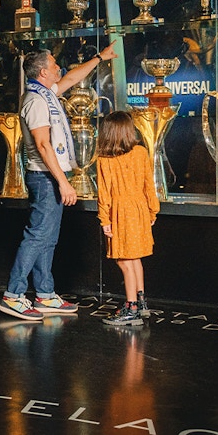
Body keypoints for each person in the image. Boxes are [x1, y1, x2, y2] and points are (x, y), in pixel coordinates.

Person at [0, 43, 119, 321]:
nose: (58, 68)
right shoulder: (35, 101)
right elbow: (42, 145)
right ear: (43, 72)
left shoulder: (46, 93)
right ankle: (13, 295)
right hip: (44, 178)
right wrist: (63, 183)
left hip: (50, 176)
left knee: (47, 239)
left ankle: (44, 294)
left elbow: (73, 78)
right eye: (54, 65)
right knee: (37, 236)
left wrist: (100, 57)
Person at [95, 110, 159, 327]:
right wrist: (152, 210)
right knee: (135, 258)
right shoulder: (140, 152)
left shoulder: (104, 159)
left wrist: (105, 220)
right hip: (139, 207)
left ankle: (131, 307)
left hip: (121, 211)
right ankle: (141, 303)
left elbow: (104, 193)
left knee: (124, 260)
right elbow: (149, 184)